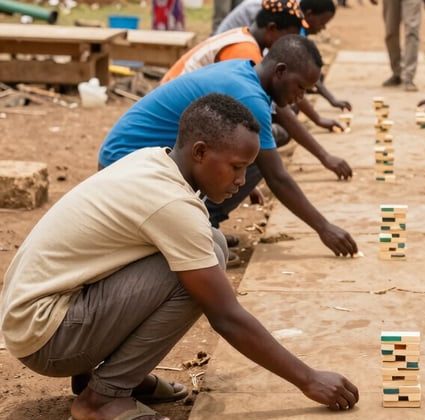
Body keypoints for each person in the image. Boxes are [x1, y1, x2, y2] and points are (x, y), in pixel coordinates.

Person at [0, 94, 359, 420]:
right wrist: (308, 378)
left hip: (41, 317)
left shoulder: (155, 161)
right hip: (47, 337)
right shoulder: (171, 203)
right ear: (200, 151)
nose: (240, 181)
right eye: (237, 168)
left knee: (210, 244)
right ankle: (102, 398)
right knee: (198, 270)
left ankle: (107, 376)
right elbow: (226, 317)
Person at [99, 36, 357, 256]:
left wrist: (242, 179)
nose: (300, 97)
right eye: (300, 87)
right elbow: (278, 178)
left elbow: (279, 115)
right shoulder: (249, 95)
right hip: (125, 170)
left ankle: (201, 225)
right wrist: (324, 228)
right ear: (279, 71)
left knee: (255, 150)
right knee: (215, 249)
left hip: (135, 161)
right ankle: (197, 228)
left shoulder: (245, 71)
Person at [163, 0, 350, 126]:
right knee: (259, 131)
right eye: (288, 37)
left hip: (186, 110)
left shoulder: (248, 39)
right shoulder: (245, 51)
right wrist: (325, 157)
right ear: (272, 29)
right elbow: (279, 112)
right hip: (174, 116)